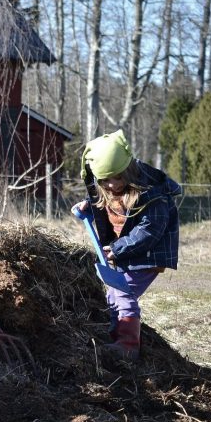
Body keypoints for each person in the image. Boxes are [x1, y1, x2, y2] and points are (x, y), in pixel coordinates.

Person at [72, 129, 182, 363]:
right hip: (124, 252)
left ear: (128, 169)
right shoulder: (105, 187)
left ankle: (129, 346)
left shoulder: (152, 193)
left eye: (118, 177)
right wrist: (88, 208)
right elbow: (104, 208)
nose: (113, 185)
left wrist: (117, 249)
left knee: (123, 291)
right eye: (105, 180)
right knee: (113, 295)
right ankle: (115, 336)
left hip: (148, 255)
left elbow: (149, 231)